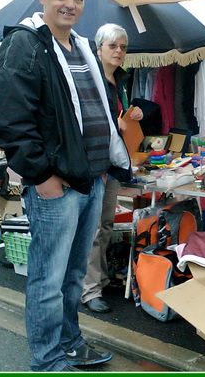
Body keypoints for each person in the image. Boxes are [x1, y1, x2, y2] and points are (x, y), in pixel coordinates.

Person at [0, 0, 131, 372]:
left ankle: (69, 341)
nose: (70, 4)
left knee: (72, 276)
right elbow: (10, 121)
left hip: (90, 179)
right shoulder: (25, 45)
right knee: (48, 279)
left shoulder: (83, 47)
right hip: (56, 184)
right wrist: (40, 177)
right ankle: (48, 357)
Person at [82, 23, 143, 314]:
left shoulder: (120, 80)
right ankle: (89, 290)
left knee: (106, 225)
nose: (119, 51)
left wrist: (133, 113)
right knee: (94, 229)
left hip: (114, 162)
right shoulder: (89, 77)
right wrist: (109, 122)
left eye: (123, 47)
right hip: (93, 163)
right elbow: (81, 115)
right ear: (99, 48)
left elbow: (120, 117)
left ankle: (101, 280)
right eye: (113, 46)